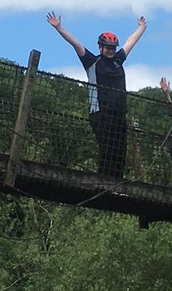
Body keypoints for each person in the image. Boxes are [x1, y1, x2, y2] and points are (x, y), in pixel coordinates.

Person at [48, 11, 147, 178]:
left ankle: (116, 181)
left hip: (119, 112)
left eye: (112, 48)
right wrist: (59, 27)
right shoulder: (92, 62)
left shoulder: (118, 60)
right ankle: (103, 179)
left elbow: (131, 42)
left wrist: (142, 28)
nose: (110, 50)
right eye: (107, 47)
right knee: (107, 147)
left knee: (120, 149)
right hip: (100, 113)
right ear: (100, 47)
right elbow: (76, 44)